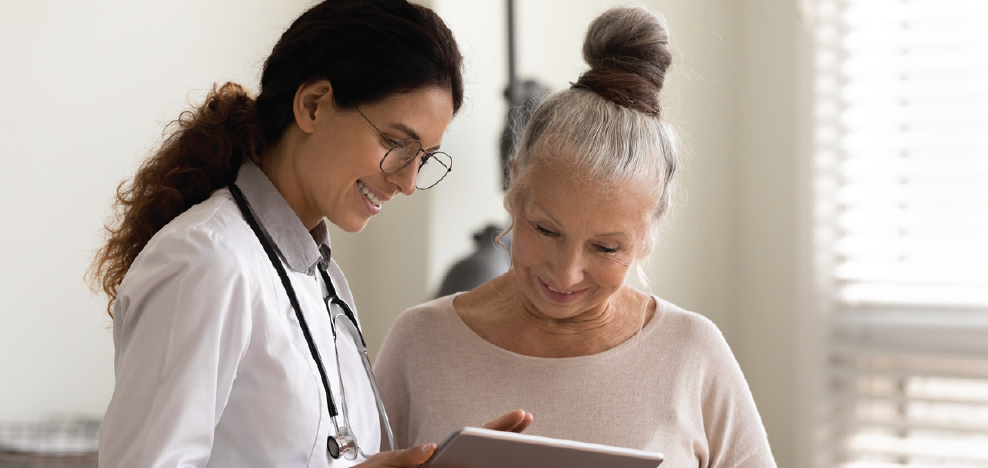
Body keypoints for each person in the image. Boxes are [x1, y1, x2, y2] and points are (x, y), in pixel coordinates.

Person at [89, 1, 530, 466]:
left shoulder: (322, 277)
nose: (407, 182)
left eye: (424, 158)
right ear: (312, 105)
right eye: (396, 143)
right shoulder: (208, 261)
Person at [373, 5, 778, 467]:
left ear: (648, 233)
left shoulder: (692, 353)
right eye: (545, 230)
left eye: (607, 247)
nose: (566, 273)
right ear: (514, 190)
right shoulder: (421, 343)